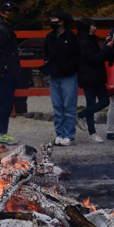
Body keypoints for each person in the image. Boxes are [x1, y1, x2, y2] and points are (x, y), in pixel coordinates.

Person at [43, 11, 80, 146]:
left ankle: (69, 135)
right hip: (54, 77)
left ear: (62, 21)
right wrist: (47, 62)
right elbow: (46, 51)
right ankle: (60, 134)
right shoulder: (50, 37)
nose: (52, 20)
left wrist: (66, 69)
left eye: (54, 18)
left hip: (68, 77)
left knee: (69, 107)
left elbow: (77, 57)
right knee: (57, 107)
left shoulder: (71, 37)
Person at [0, 2, 21, 145]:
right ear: (2, 13)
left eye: (13, 11)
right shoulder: (1, 30)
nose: (11, 13)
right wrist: (0, 70)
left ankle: (2, 132)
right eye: (8, 11)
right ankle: (1, 133)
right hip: (3, 72)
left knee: (7, 102)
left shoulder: (6, 29)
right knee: (6, 102)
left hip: (7, 71)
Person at [75, 18, 109, 143]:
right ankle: (92, 132)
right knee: (95, 102)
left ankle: (80, 116)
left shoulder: (91, 40)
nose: (95, 27)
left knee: (104, 101)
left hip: (96, 76)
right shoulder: (84, 42)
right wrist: (107, 49)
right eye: (92, 25)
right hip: (89, 77)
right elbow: (95, 59)